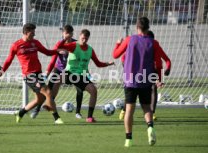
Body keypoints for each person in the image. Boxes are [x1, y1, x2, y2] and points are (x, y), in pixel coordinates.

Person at [112, 17, 166, 147]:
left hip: (130, 80)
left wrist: (117, 44)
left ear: (137, 27)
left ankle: (128, 139)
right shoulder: (154, 43)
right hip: (146, 81)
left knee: (129, 109)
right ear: (148, 28)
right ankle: (150, 127)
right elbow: (159, 64)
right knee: (146, 107)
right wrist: (159, 78)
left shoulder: (130, 39)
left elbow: (115, 55)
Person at [2, 23, 64, 124]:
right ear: (26, 33)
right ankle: (57, 118)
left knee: (40, 99)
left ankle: (20, 113)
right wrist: (2, 71)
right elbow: (9, 60)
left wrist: (57, 51)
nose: (34, 35)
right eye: (32, 33)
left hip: (38, 74)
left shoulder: (35, 43)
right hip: (29, 75)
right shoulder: (16, 45)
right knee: (48, 92)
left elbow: (47, 52)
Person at [58, 29, 114, 123]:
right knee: (55, 81)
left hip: (81, 76)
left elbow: (98, 63)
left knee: (93, 90)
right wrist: (65, 39)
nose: (84, 40)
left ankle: (89, 117)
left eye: (86, 39)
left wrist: (108, 63)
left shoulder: (90, 50)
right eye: (83, 38)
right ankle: (50, 105)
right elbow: (59, 46)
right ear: (80, 36)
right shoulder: (73, 45)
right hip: (69, 73)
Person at [30, 25, 84, 119]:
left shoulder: (76, 44)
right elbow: (53, 60)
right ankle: (37, 109)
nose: (68, 35)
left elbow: (81, 59)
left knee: (80, 88)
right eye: (66, 33)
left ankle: (78, 112)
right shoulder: (59, 44)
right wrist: (47, 73)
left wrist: (70, 54)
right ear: (63, 33)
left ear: (72, 34)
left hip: (72, 70)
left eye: (70, 33)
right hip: (58, 69)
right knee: (48, 90)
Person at [118, 30, 171, 121]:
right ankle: (124, 110)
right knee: (132, 92)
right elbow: (123, 58)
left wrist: (167, 70)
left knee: (153, 88)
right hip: (135, 72)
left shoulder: (154, 46)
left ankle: (152, 112)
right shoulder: (137, 48)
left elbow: (166, 60)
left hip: (150, 70)